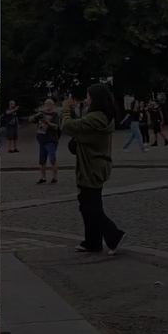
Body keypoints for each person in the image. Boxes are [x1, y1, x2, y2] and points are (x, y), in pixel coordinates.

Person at [61, 83, 126, 255]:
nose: (86, 99)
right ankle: (92, 241)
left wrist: (66, 110)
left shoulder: (96, 117)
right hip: (94, 166)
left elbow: (69, 126)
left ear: (95, 98)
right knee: (87, 203)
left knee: (91, 206)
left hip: (92, 167)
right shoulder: (100, 115)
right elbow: (81, 128)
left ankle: (113, 235)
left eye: (89, 96)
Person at [29, 99, 60, 184]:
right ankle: (43, 177)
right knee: (42, 160)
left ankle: (54, 177)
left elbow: (56, 127)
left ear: (53, 105)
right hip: (41, 140)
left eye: (50, 104)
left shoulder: (55, 115)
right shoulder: (41, 114)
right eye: (46, 104)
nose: (48, 105)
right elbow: (30, 120)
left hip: (51, 140)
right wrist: (36, 116)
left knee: (52, 158)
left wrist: (48, 122)